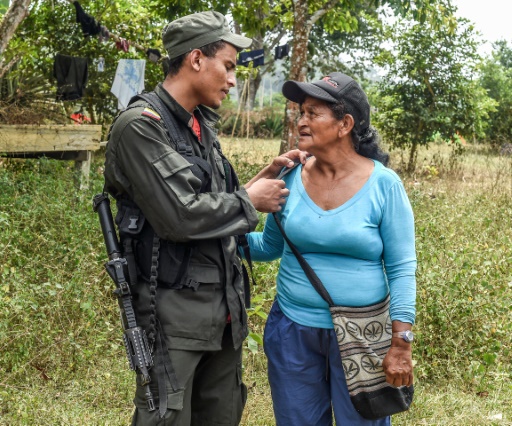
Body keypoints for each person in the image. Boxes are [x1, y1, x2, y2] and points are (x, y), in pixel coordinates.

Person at [103, 11, 303, 426]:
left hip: (223, 310)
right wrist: (249, 201)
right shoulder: (141, 127)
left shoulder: (198, 126)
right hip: (172, 316)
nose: (233, 80)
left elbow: (207, 201)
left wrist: (257, 183)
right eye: (228, 66)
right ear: (196, 59)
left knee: (222, 413)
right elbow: (181, 217)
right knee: (168, 417)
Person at [245, 72, 417, 425]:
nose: (301, 121)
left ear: (345, 124)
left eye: (313, 113)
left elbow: (401, 268)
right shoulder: (289, 177)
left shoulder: (384, 185)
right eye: (300, 111)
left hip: (364, 335)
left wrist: (401, 343)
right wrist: (209, 231)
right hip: (292, 331)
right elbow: (267, 246)